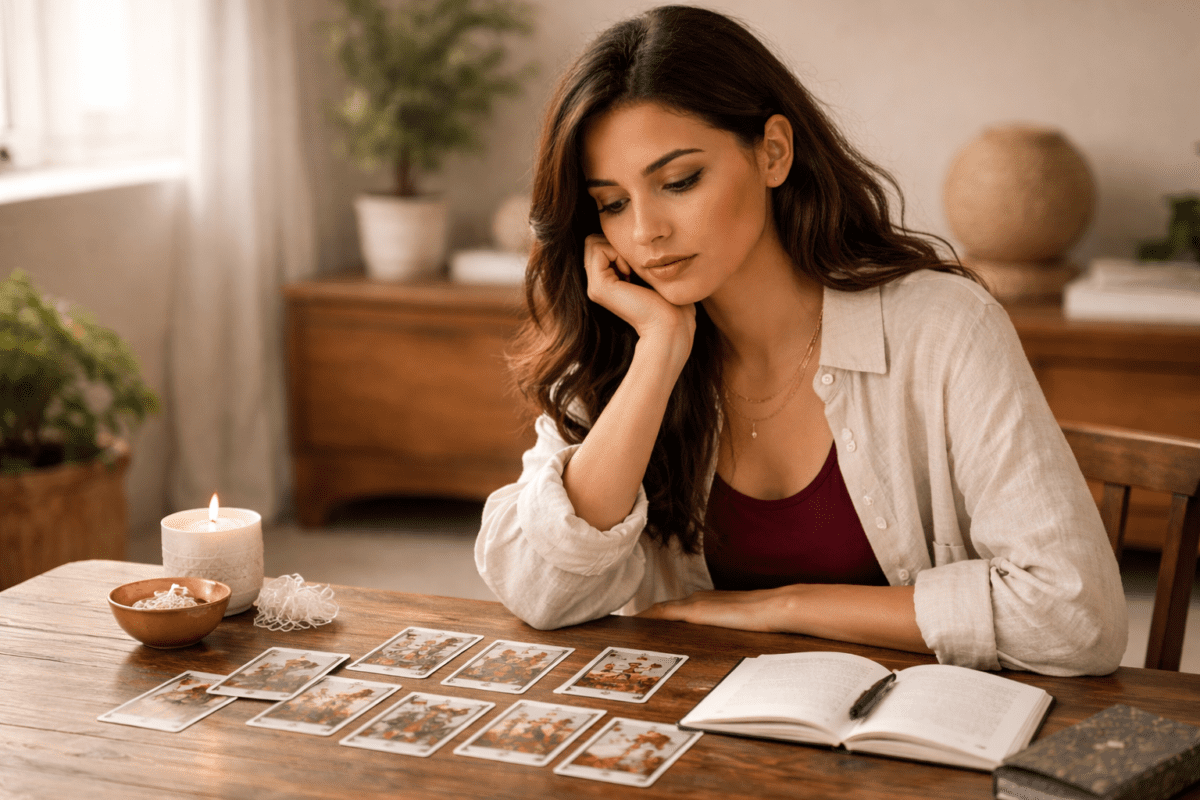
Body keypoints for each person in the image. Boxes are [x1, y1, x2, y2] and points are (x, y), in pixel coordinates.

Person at [475, 5, 1127, 676]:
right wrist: (661, 352)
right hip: (713, 741)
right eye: (612, 203)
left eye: (679, 182)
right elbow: (540, 591)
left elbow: (1075, 619)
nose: (645, 233)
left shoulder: (942, 327)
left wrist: (780, 608)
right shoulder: (627, 341)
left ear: (773, 153)